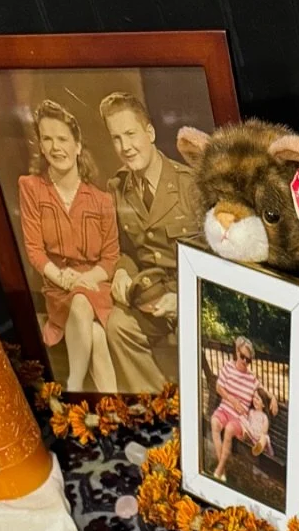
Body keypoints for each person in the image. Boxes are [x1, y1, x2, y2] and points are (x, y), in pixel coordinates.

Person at [100, 92, 203, 393]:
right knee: (118, 326)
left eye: (131, 134)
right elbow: (125, 248)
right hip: (149, 295)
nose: (125, 147)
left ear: (150, 132)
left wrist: (183, 298)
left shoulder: (190, 184)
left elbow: (216, 260)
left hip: (192, 292)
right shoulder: (118, 187)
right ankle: (160, 402)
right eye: (116, 138)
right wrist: (121, 270)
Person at [18, 100, 118, 392]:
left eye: (62, 139)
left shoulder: (101, 201)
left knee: (84, 301)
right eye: (47, 139)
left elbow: (111, 258)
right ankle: (113, 409)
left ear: (77, 145)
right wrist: (61, 276)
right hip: (57, 285)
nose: (55, 147)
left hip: (95, 286)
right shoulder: (31, 188)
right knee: (94, 332)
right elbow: (34, 249)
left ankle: (73, 385)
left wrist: (86, 279)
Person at [208, 336, 267, 482]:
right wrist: (233, 400)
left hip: (239, 419)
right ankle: (222, 471)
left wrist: (272, 398)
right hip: (225, 408)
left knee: (228, 429)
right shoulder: (227, 367)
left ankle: (219, 471)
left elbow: (261, 389)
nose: (245, 362)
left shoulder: (252, 378)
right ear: (236, 351)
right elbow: (218, 387)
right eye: (242, 357)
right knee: (214, 423)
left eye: (248, 360)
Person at [244, 383, 275, 460]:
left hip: (260, 438)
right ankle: (247, 438)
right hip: (252, 435)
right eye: (254, 397)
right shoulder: (251, 412)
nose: (254, 400)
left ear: (264, 405)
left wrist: (259, 436)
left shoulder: (264, 417)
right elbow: (248, 422)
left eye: (257, 399)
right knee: (243, 425)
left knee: (264, 437)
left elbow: (264, 432)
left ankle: (259, 448)